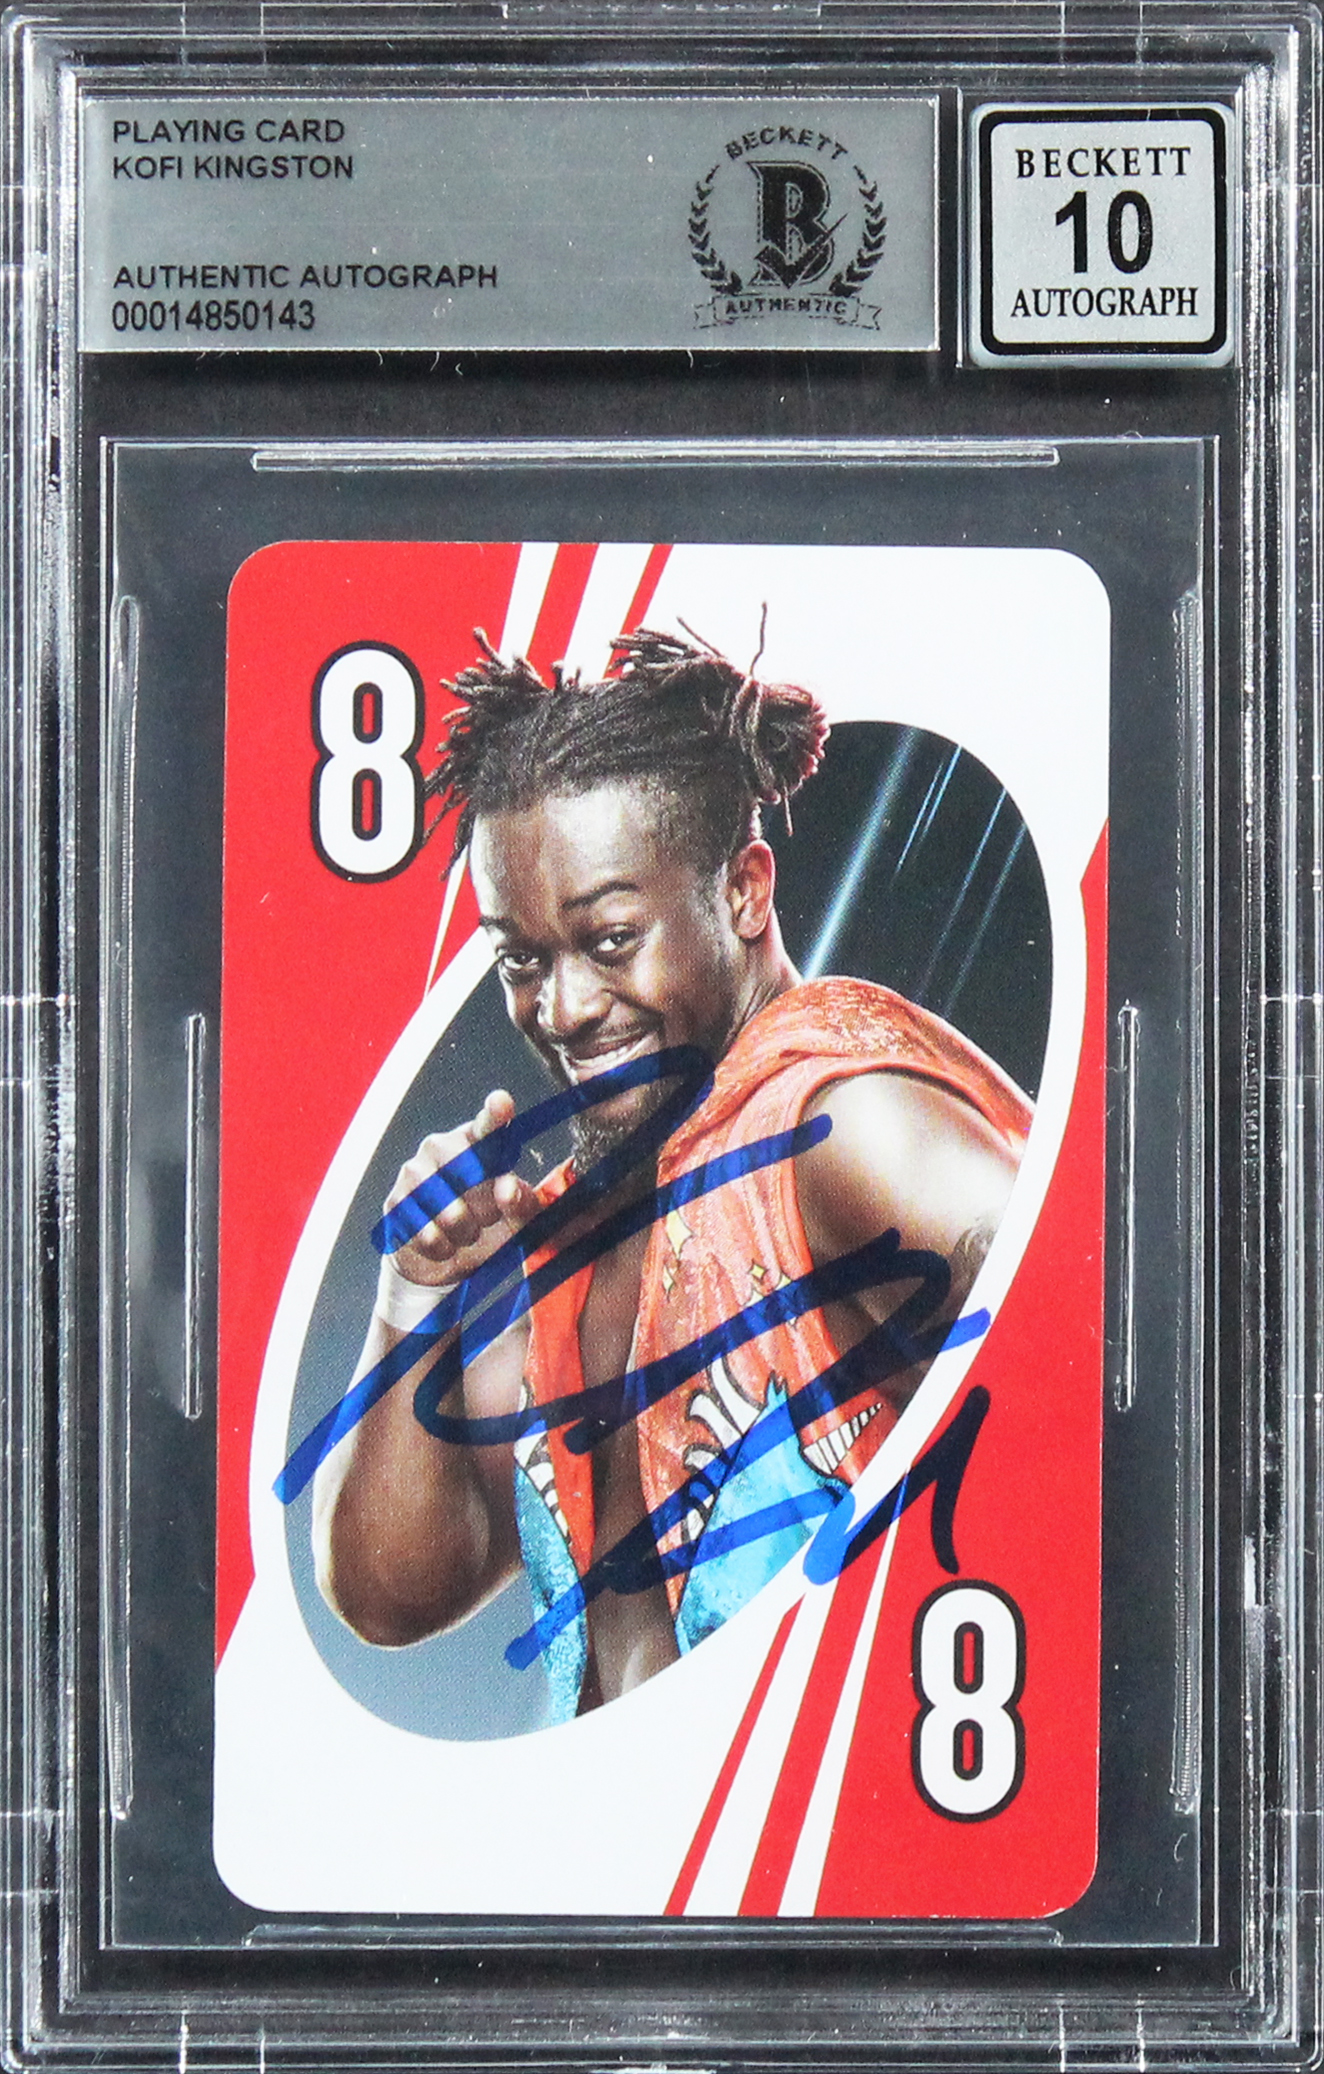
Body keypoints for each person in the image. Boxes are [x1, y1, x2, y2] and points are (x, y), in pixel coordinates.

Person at [313, 629, 1031, 1720]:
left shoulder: (846, 1123)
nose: (562, 1009)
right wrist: (412, 1292)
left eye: (609, 940)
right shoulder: (579, 1232)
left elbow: (1098, 1378)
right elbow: (389, 1594)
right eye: (521, 959)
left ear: (743, 891)